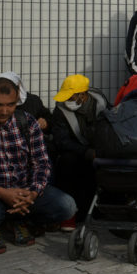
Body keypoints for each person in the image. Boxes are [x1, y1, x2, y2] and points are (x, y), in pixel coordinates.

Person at [0, 76, 77, 254]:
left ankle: (19, 221)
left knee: (67, 206)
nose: (4, 111)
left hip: (24, 191)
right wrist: (2, 193)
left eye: (10, 105)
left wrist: (33, 192)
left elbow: (42, 164)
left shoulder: (27, 122)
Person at [50, 74, 108, 228]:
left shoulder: (102, 105)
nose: (67, 101)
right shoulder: (60, 111)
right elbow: (61, 141)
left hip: (99, 149)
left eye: (71, 97)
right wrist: (86, 152)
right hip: (75, 152)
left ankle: (97, 210)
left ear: (83, 95)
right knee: (67, 162)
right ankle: (68, 216)